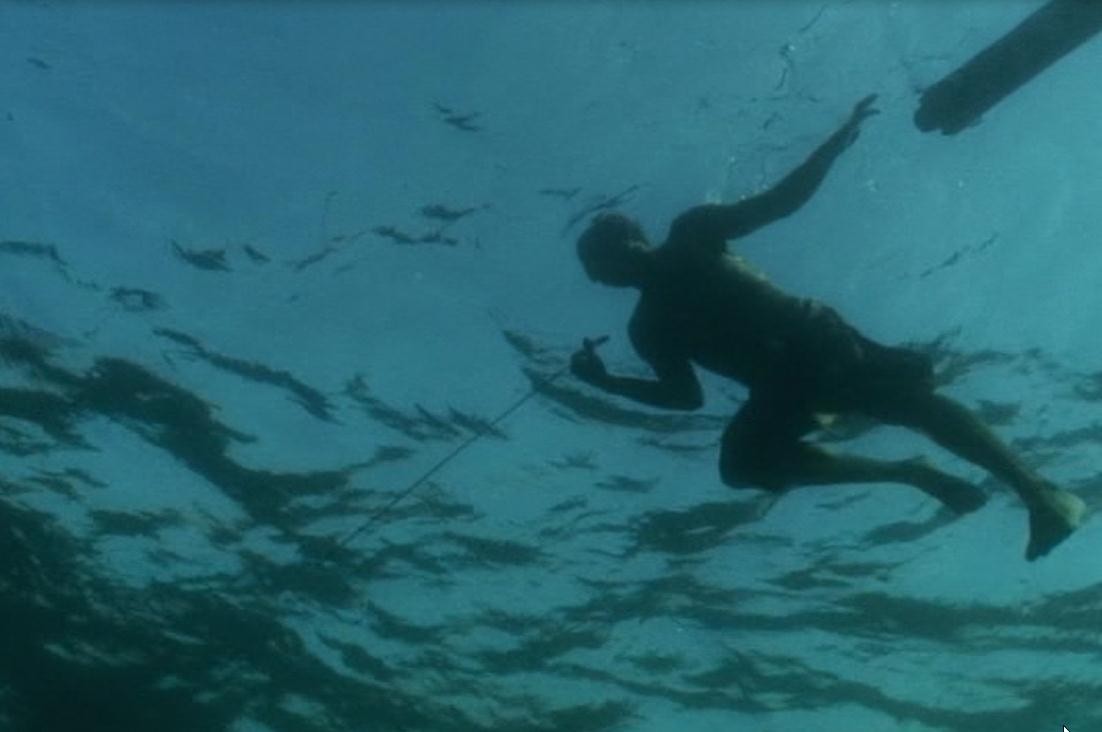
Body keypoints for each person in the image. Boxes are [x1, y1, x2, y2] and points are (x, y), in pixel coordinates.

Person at [570, 95, 1084, 560]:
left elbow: (780, 201)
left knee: (909, 404)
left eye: (597, 264)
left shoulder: (692, 234)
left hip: (817, 341)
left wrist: (836, 142)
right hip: (784, 390)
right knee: (742, 464)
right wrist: (607, 382)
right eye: (594, 274)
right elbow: (684, 397)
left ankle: (1040, 494)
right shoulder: (648, 329)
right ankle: (906, 473)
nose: (599, 278)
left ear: (627, 242)